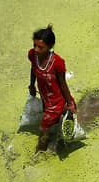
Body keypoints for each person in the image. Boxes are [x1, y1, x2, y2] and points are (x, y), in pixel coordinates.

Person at [28, 24, 76, 153]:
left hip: (56, 101)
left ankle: (39, 153)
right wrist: (32, 85)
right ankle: (55, 138)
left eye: (41, 47)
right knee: (52, 124)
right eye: (35, 45)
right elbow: (33, 69)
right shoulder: (33, 55)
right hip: (45, 97)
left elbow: (63, 84)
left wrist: (69, 103)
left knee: (44, 128)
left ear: (49, 47)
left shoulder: (57, 63)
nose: (36, 49)